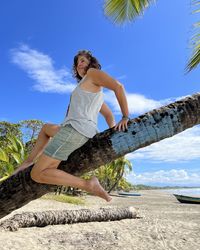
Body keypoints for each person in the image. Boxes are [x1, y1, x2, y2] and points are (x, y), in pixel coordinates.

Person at [12, 50, 130, 202]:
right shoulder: (89, 89)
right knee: (46, 128)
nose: (78, 65)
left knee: (37, 173)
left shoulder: (93, 74)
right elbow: (107, 114)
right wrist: (112, 129)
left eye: (82, 60)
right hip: (75, 129)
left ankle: (88, 185)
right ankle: (28, 161)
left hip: (76, 130)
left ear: (90, 62)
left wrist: (125, 116)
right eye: (76, 63)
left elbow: (118, 86)